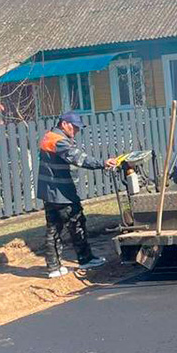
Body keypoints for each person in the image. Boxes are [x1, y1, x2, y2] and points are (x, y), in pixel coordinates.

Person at [37, 111, 117, 278]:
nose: (76, 131)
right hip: (61, 192)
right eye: (75, 128)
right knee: (76, 222)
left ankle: (53, 267)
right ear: (65, 124)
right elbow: (79, 158)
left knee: (53, 228)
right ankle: (84, 258)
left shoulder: (49, 136)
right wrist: (102, 163)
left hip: (49, 191)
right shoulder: (59, 141)